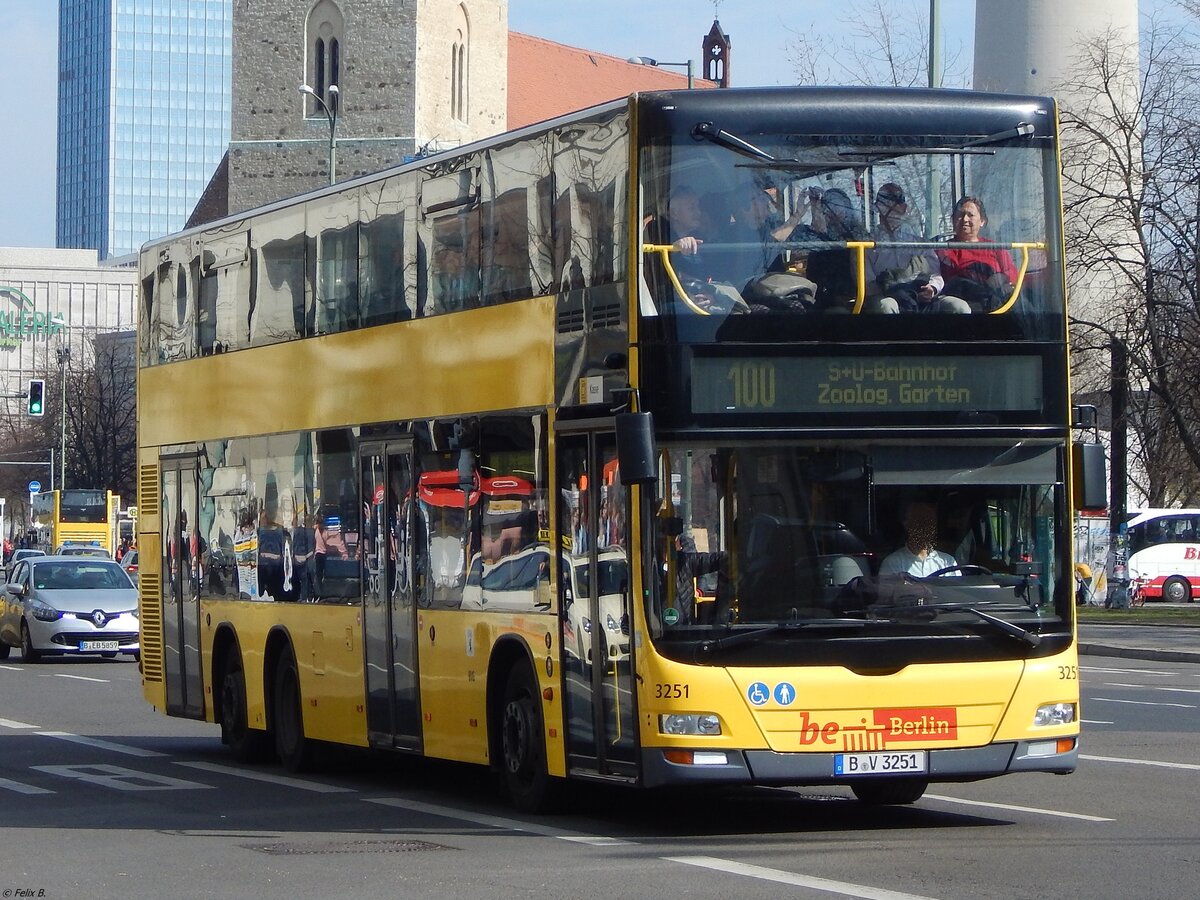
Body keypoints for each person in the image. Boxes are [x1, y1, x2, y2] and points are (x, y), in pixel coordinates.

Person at [865, 183, 969, 314]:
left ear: (904, 208)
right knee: (885, 306)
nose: (892, 210)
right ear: (878, 209)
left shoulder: (918, 242)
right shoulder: (867, 245)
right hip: (889, 297)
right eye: (886, 205)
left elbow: (935, 274)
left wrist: (931, 288)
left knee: (958, 307)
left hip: (922, 298)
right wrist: (897, 291)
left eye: (896, 204)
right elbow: (868, 284)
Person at [937, 195, 1020, 312]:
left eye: (970, 215)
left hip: (997, 292)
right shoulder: (944, 249)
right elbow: (952, 279)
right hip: (965, 295)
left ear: (982, 221)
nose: (965, 219)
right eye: (960, 215)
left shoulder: (994, 247)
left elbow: (1011, 272)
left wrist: (1001, 278)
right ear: (953, 220)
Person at [879, 500, 961, 578]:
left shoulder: (948, 562)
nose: (924, 528)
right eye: (918, 522)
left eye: (929, 522)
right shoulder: (892, 563)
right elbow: (885, 592)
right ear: (907, 525)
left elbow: (959, 591)